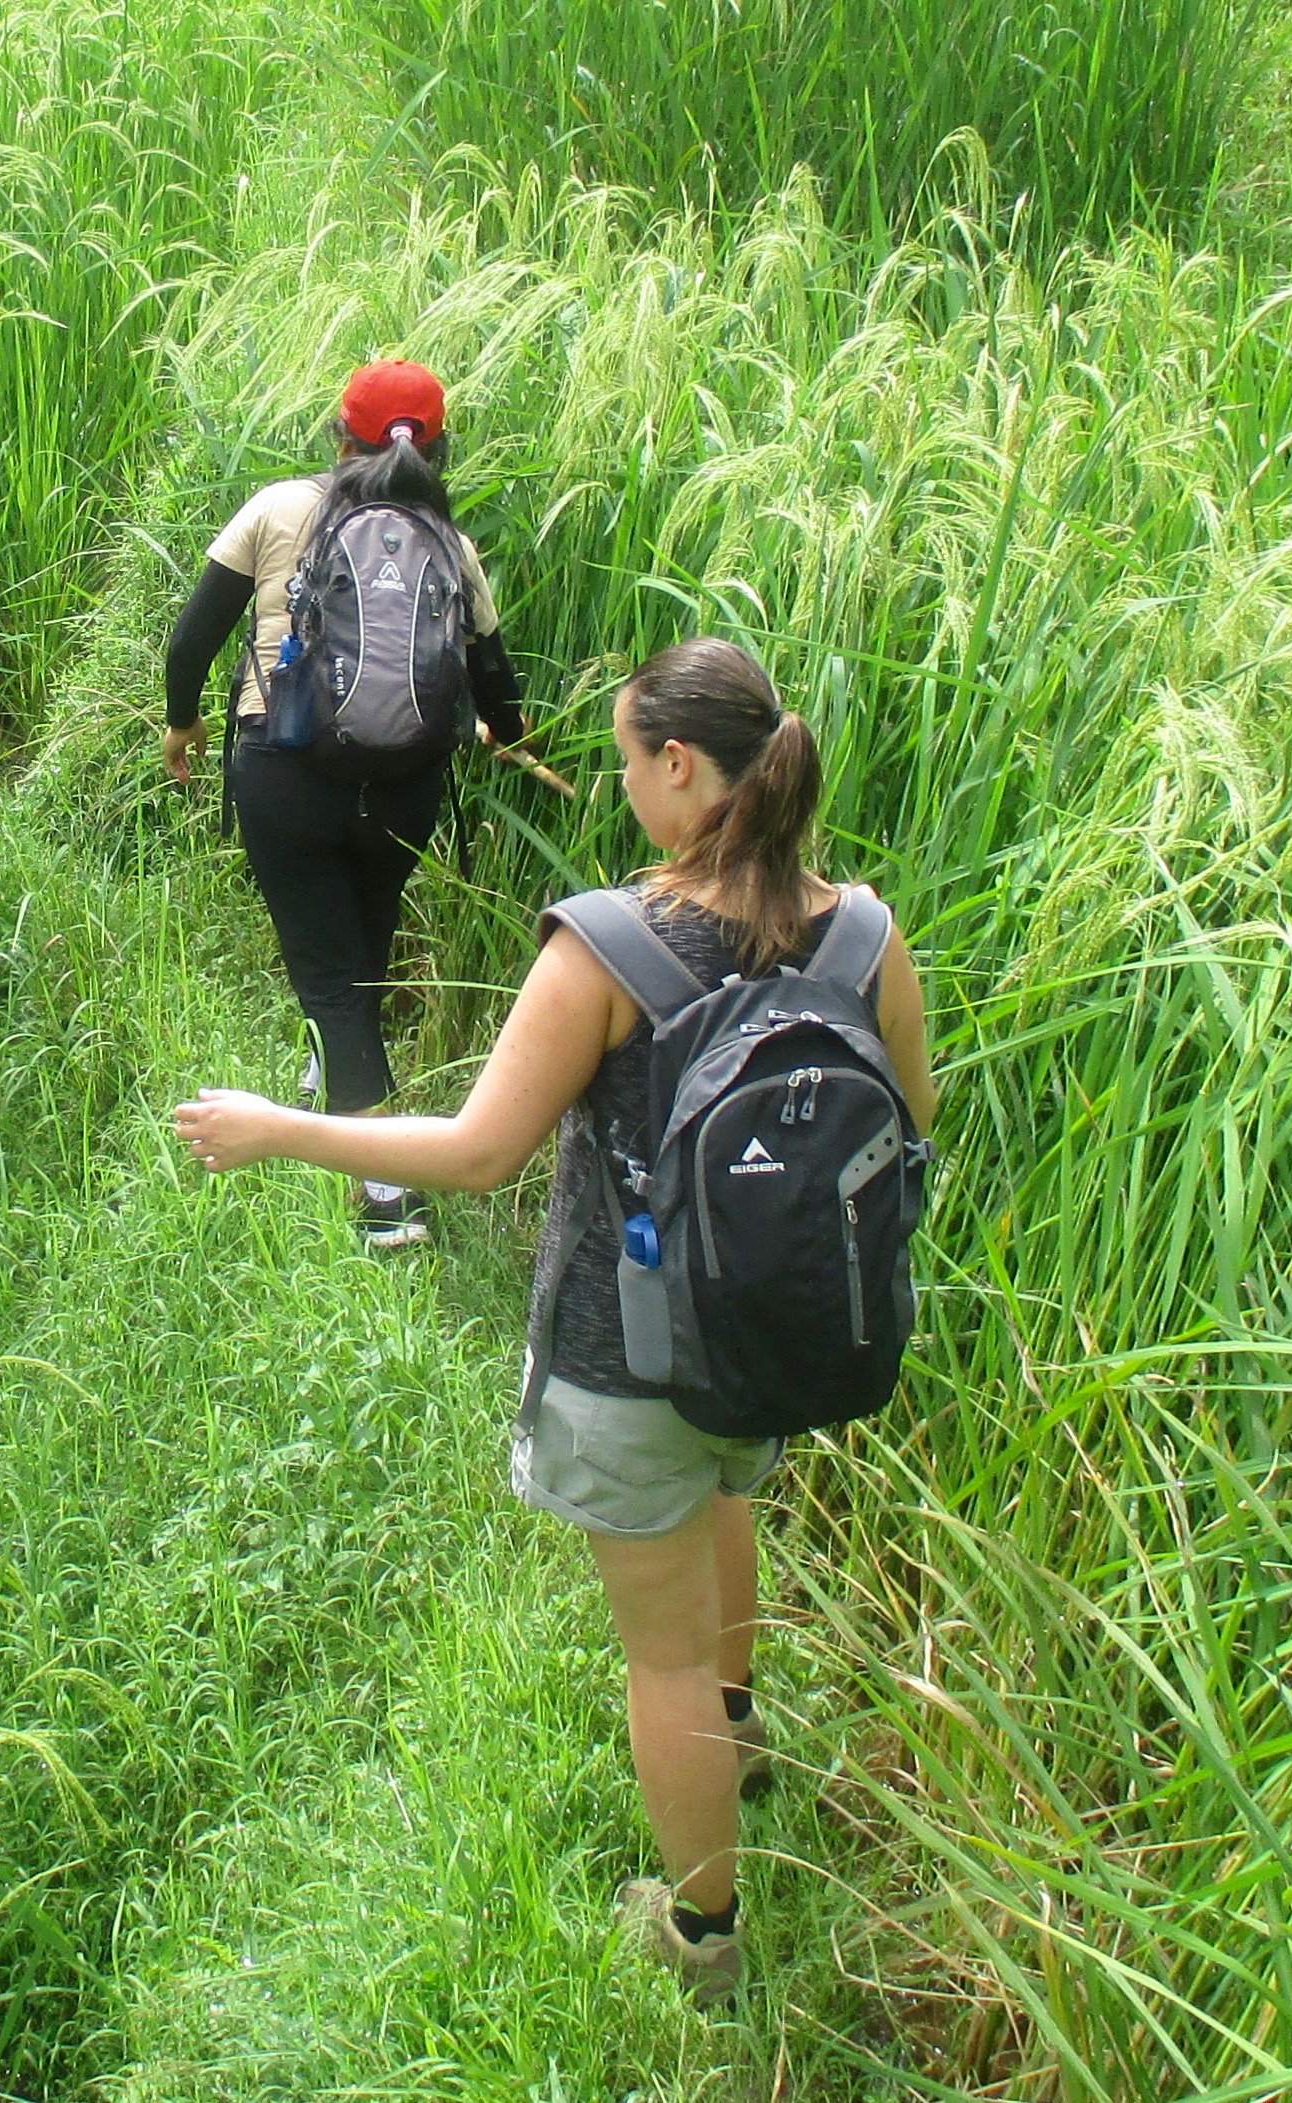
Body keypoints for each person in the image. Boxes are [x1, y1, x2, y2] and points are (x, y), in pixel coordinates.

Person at [170, 637, 936, 2004]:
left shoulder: (611, 946)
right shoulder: (866, 932)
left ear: (683, 767)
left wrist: (278, 1126)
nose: (626, 782)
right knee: (727, 1507)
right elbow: (910, 1129)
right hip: (787, 1336)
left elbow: (475, 1154)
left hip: (627, 1352)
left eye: (635, 758)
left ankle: (702, 1931)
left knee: (664, 1656)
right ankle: (744, 1733)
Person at [161, 358, 533, 1250]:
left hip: (285, 777)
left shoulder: (279, 508)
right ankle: (339, 1078)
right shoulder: (451, 543)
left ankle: (385, 1197)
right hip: (403, 788)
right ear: (439, 448)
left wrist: (183, 727)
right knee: (359, 960)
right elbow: (497, 687)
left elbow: (190, 643)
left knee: (332, 984)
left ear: (340, 434)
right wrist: (503, 735)